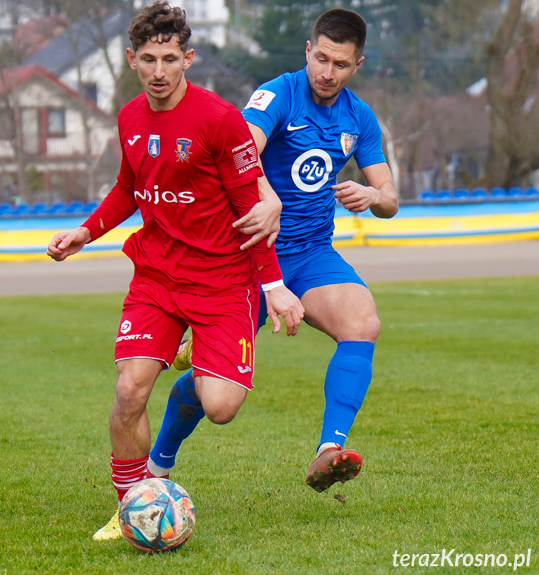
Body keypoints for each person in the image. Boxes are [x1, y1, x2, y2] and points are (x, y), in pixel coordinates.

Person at [46, 1, 303, 541]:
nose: (159, 71)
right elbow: (127, 190)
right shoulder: (129, 117)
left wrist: (274, 288)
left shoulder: (219, 120)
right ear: (131, 61)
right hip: (157, 277)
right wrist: (86, 232)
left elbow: (249, 214)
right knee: (129, 390)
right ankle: (132, 504)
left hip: (221, 281)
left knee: (222, 407)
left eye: (169, 58)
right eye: (148, 59)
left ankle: (196, 358)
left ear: (189, 58)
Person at [147, 8, 399, 493]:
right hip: (246, 256)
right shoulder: (277, 94)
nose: (327, 73)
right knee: (213, 392)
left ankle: (330, 449)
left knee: (363, 322)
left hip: (310, 253)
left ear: (357, 65)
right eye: (321, 59)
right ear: (308, 50)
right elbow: (237, 154)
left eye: (340, 65)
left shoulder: (359, 117)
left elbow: (389, 199)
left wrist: (373, 197)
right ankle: (158, 466)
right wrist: (268, 195)